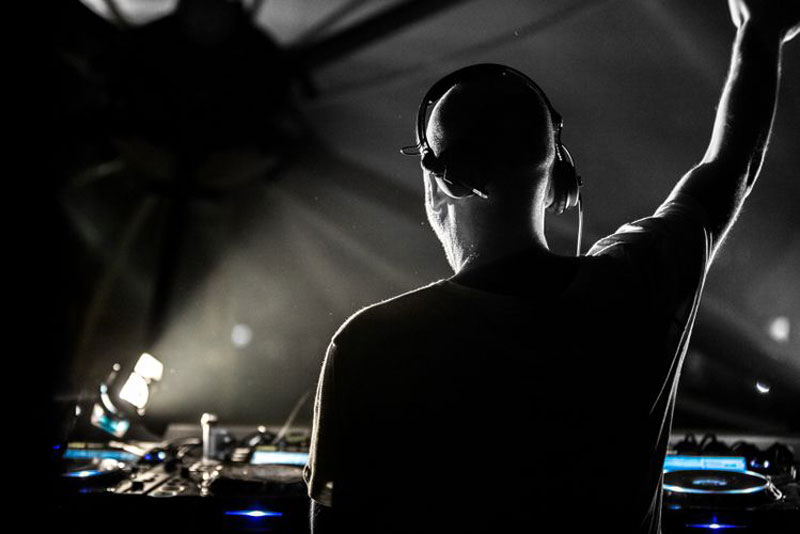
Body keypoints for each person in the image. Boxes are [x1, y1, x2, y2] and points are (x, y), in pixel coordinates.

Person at [303, 1, 800, 532]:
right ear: (559, 171)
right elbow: (730, 167)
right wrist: (761, 30)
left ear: (445, 179)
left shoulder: (370, 343)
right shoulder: (637, 285)